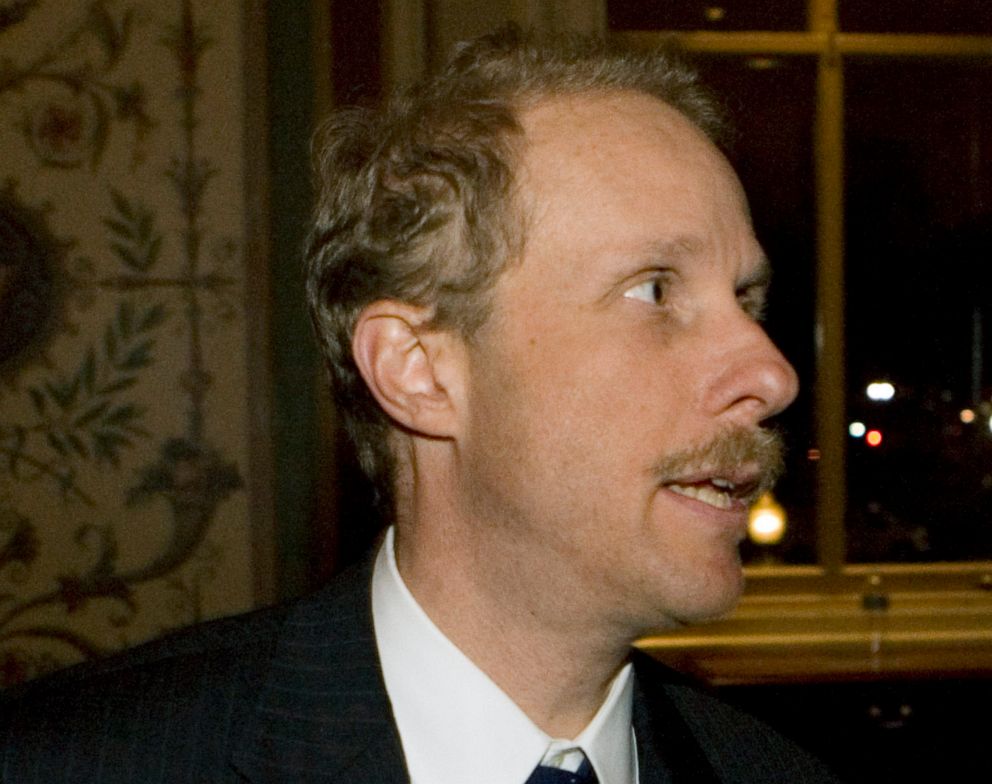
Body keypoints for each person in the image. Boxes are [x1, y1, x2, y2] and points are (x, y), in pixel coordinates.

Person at [0, 27, 842, 784]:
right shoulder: (73, 761)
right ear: (419, 371)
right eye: (655, 290)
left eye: (748, 301)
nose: (771, 374)